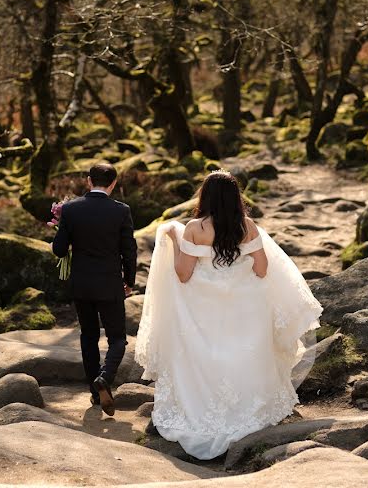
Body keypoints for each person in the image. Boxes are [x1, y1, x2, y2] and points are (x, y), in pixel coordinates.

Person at [135, 170, 323, 460]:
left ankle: (203, 408)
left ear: (205, 196)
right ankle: (250, 410)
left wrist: (173, 241)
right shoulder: (246, 226)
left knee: (204, 353)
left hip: (204, 305)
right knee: (244, 352)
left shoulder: (194, 228)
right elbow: (261, 269)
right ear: (235, 197)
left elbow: (184, 275)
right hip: (244, 304)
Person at [52, 162, 138, 416]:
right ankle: (105, 377)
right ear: (113, 184)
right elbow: (129, 251)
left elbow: (59, 249)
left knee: (88, 336)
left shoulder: (70, 209)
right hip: (110, 284)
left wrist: (61, 238)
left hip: (82, 285)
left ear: (89, 181)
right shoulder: (121, 211)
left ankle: (94, 391)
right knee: (118, 339)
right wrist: (129, 281)